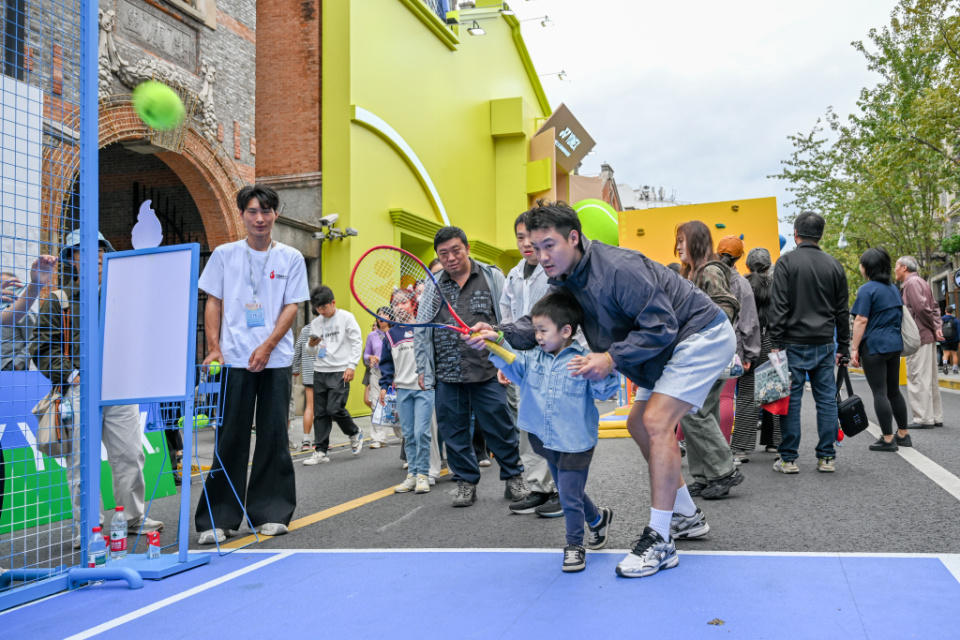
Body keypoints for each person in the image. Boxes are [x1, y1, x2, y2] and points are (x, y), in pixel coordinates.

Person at [466, 201, 736, 579]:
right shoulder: (564, 278)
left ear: (573, 238)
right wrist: (500, 334)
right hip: (661, 350)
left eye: (549, 245)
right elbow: (544, 321)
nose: (541, 256)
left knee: (657, 423)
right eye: (534, 246)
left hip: (699, 334)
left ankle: (660, 539)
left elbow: (662, 327)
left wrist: (610, 358)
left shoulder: (618, 269)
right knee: (638, 423)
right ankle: (686, 516)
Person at [194, 185, 309, 544]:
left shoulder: (291, 257)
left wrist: (269, 344)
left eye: (266, 211)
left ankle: (271, 512)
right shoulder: (225, 255)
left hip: (274, 361)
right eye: (252, 212)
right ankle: (219, 518)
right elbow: (214, 301)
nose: (259, 218)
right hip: (233, 361)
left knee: (274, 435)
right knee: (230, 437)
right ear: (242, 214)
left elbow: (292, 307)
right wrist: (214, 348)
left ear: (276, 214)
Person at [33, 233, 163, 547]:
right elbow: (41, 348)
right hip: (80, 390)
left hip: (122, 386)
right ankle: (86, 527)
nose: (97, 256)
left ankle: (133, 517)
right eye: (84, 251)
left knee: (129, 454)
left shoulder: (126, 295)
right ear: (72, 259)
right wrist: (72, 374)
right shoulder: (58, 300)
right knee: (81, 461)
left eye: (101, 249)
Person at [490, 291, 619, 572]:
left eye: (542, 330)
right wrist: (493, 343)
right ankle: (597, 520)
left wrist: (605, 371)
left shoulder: (584, 359)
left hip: (575, 443)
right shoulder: (534, 358)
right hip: (546, 439)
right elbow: (513, 364)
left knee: (568, 496)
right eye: (535, 329)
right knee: (566, 489)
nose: (536, 336)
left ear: (566, 331)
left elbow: (605, 389)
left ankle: (574, 546)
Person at [415, 226, 528, 508]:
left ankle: (514, 476)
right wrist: (422, 368)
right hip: (447, 372)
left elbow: (508, 318)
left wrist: (508, 358)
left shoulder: (491, 277)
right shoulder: (434, 285)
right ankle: (466, 482)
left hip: (487, 369)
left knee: (500, 425)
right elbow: (421, 328)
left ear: (466, 248)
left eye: (456, 250)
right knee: (453, 431)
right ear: (438, 256)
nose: (451, 257)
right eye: (444, 254)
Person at [768, 211, 850, 474]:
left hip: (792, 341)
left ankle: (789, 459)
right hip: (825, 342)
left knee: (791, 399)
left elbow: (779, 304)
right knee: (825, 399)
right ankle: (827, 457)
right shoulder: (834, 265)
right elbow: (842, 311)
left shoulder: (786, 262)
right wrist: (844, 346)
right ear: (821, 235)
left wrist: (776, 340)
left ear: (795, 233)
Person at [674, 222, 744, 499]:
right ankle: (705, 475)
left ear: (697, 242)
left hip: (705, 354)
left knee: (693, 412)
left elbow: (726, 307)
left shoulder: (709, 271)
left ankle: (723, 471)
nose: (678, 246)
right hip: (702, 353)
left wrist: (698, 335)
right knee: (703, 412)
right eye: (677, 241)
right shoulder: (694, 271)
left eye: (682, 240)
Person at [499, 212, 562, 518]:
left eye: (530, 238)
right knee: (528, 425)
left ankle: (563, 491)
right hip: (522, 359)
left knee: (555, 423)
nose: (526, 244)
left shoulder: (554, 272)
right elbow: (507, 318)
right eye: (520, 238)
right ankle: (539, 487)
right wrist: (504, 359)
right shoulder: (513, 275)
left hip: (551, 356)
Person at [849, 248, 909, 451]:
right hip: (894, 345)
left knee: (879, 393)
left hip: (874, 346)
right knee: (894, 391)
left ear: (868, 267)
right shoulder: (893, 288)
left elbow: (860, 320)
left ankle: (888, 438)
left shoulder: (868, 289)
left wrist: (854, 348)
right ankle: (903, 434)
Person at [302, 285, 364, 465]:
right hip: (320, 371)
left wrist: (351, 366)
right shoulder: (315, 323)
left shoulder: (346, 318)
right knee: (320, 413)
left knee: (335, 409)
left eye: (325, 307)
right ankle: (321, 451)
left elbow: (356, 341)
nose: (322, 311)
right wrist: (311, 345)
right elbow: (310, 351)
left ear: (333, 302)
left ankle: (354, 432)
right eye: (318, 308)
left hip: (341, 371)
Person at [380, 289, 433, 494]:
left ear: (412, 305)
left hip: (424, 388)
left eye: (404, 303)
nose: (400, 307)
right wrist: (384, 386)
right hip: (402, 390)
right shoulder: (390, 335)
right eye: (396, 304)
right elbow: (386, 365)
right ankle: (412, 474)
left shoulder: (423, 328)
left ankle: (423, 475)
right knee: (409, 434)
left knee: (422, 433)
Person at [716, 236, 761, 463]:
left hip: (704, 344)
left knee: (702, 400)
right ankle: (724, 452)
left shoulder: (705, 276)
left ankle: (698, 447)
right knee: (725, 398)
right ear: (739, 258)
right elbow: (749, 321)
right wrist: (750, 353)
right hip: (730, 345)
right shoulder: (741, 283)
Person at [737, 248, 781, 453]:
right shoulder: (778, 284)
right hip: (773, 340)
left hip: (750, 341)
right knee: (773, 392)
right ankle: (775, 442)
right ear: (768, 265)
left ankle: (742, 448)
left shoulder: (742, 284)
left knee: (746, 395)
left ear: (748, 265)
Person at [896, 256, 944, 429]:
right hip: (928, 334)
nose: (895, 270)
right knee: (930, 379)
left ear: (903, 268)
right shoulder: (922, 281)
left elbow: (922, 309)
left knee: (917, 376)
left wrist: (933, 326)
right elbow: (934, 307)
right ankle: (935, 416)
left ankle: (923, 417)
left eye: (896, 266)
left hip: (919, 336)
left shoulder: (911, 283)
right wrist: (937, 326)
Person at [363, 314, 390, 448]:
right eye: (378, 316)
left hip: (393, 373)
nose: (380, 319)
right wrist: (371, 358)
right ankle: (378, 438)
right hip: (376, 372)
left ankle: (403, 435)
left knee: (394, 406)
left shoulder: (394, 333)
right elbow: (365, 355)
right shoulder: (372, 335)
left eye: (384, 316)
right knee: (375, 403)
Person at [291, 320, 317, 452]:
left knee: (309, 407)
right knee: (322, 409)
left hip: (308, 373)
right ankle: (320, 439)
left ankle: (306, 440)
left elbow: (298, 349)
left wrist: (295, 368)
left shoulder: (305, 329)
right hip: (325, 372)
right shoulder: (328, 328)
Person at [942, 305, 959, 375]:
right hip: (954, 340)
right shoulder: (956, 320)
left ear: (945, 311)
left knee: (946, 354)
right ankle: (954, 369)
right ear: (952, 312)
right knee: (954, 354)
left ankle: (945, 364)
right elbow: (959, 331)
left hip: (944, 339)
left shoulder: (941, 319)